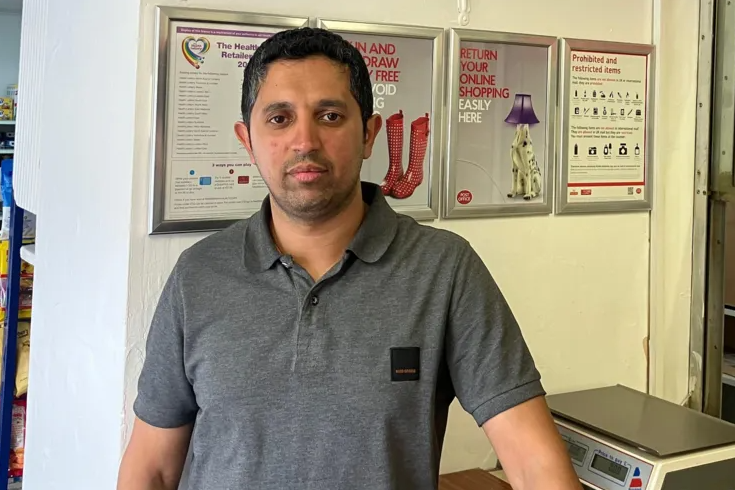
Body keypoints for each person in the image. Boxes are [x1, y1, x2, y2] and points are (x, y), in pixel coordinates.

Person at [117, 27, 581, 490]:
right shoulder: (199, 275)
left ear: (369, 134)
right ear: (247, 140)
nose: (305, 141)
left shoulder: (443, 270)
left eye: (330, 115)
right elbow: (152, 467)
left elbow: (532, 461)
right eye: (279, 119)